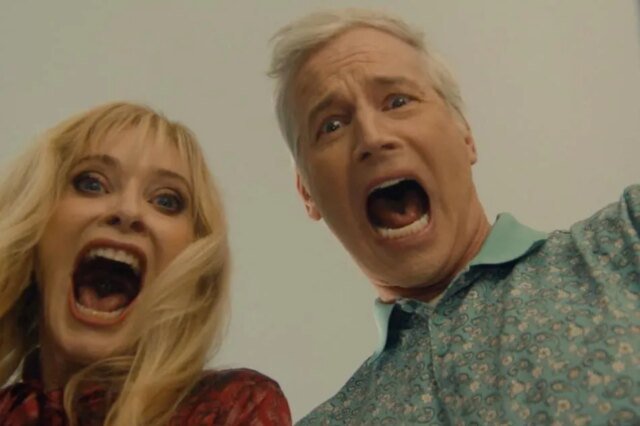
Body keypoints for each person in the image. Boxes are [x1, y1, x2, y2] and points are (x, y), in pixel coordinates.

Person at [269, 9, 639, 425]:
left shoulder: (627, 238)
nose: (372, 137)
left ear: (466, 135)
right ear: (307, 194)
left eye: (398, 101)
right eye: (332, 125)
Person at [0, 102, 292, 425]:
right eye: (92, 183)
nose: (128, 211)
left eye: (166, 200)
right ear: (34, 227)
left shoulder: (233, 408)